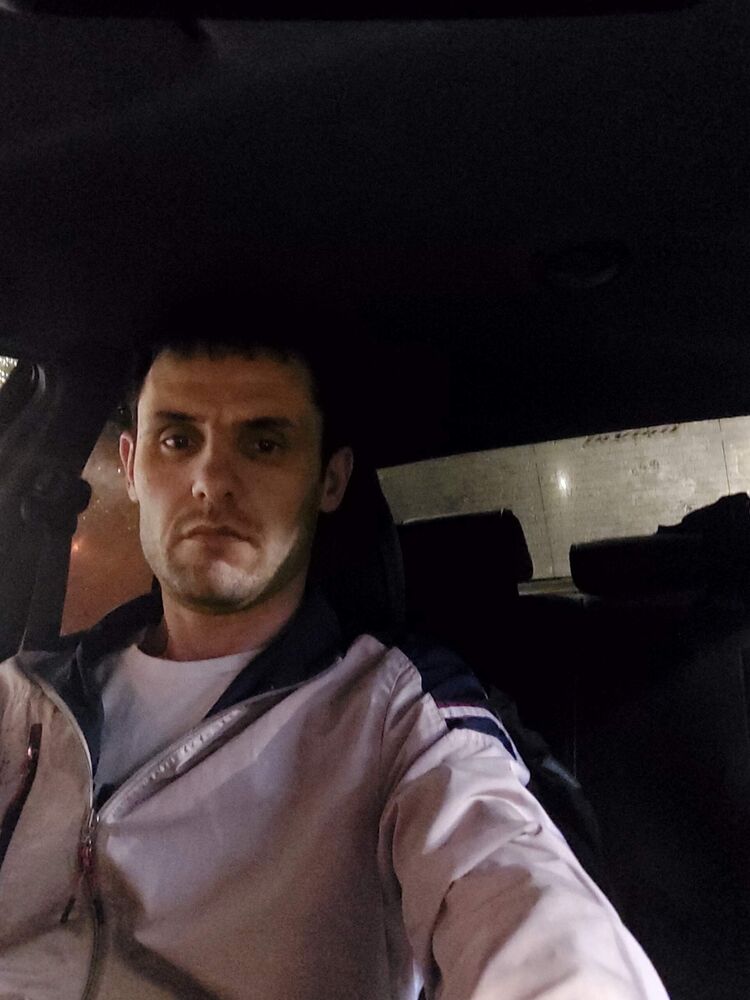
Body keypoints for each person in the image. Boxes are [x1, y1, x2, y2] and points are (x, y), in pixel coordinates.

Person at [0, 290, 669, 1000]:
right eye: (178, 440)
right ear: (132, 466)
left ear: (330, 480)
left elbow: (515, 884)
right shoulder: (27, 696)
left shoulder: (395, 713)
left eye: (263, 444)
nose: (211, 481)